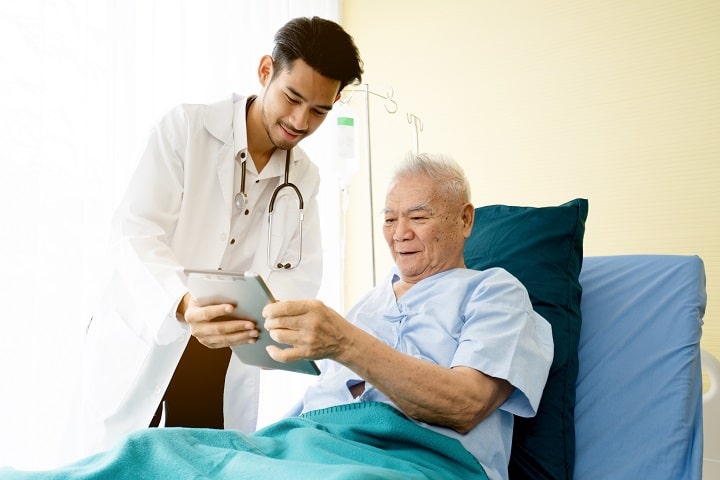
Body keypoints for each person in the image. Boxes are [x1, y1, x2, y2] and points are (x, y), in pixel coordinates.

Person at [16, 153, 554, 480]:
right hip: (309, 444)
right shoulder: (368, 304)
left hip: (420, 462)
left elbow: (464, 405)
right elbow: (318, 402)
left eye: (418, 216)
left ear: (464, 220)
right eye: (389, 218)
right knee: (154, 450)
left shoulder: (495, 293)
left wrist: (345, 343)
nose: (399, 233)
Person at [69, 16, 363, 461]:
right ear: (266, 71)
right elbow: (135, 233)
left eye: (319, 110)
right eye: (292, 97)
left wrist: (266, 317)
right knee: (117, 465)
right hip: (153, 330)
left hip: (223, 356)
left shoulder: (305, 178)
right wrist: (186, 305)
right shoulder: (186, 130)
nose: (301, 121)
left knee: (203, 465)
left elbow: (301, 274)